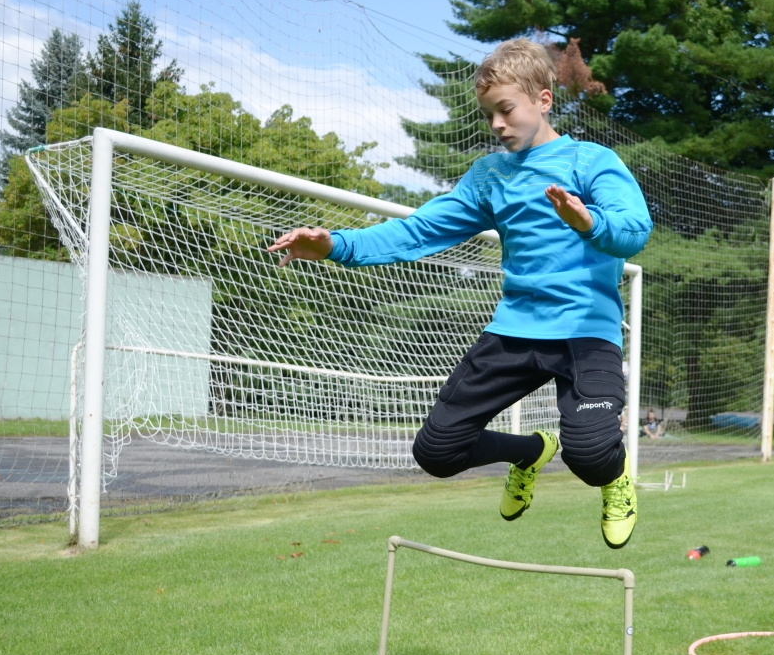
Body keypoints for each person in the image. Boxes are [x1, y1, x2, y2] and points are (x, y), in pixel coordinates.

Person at [268, 39, 653, 549]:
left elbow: (633, 230)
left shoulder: (590, 161)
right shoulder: (489, 176)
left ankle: (617, 481)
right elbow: (418, 231)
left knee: (589, 456)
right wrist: (337, 245)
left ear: (543, 100)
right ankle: (528, 451)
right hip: (513, 333)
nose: (497, 124)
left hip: (586, 334)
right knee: (437, 452)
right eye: (489, 113)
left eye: (506, 109)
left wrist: (588, 220)